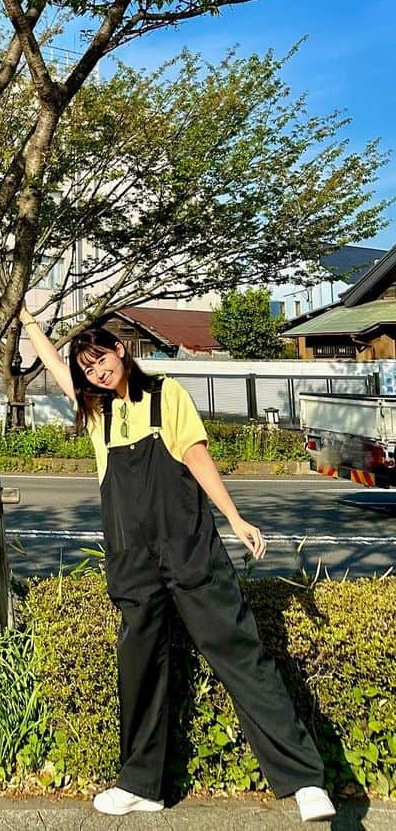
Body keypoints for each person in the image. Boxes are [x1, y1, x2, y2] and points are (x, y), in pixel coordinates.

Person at [19, 307, 336, 823]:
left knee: (240, 655)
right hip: (132, 558)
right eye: (87, 369)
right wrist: (27, 319)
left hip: (190, 548)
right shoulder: (96, 413)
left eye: (100, 360)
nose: (95, 373)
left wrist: (233, 518)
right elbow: (56, 366)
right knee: (140, 666)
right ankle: (141, 784)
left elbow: (195, 456)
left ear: (120, 350)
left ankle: (304, 781)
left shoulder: (167, 395)